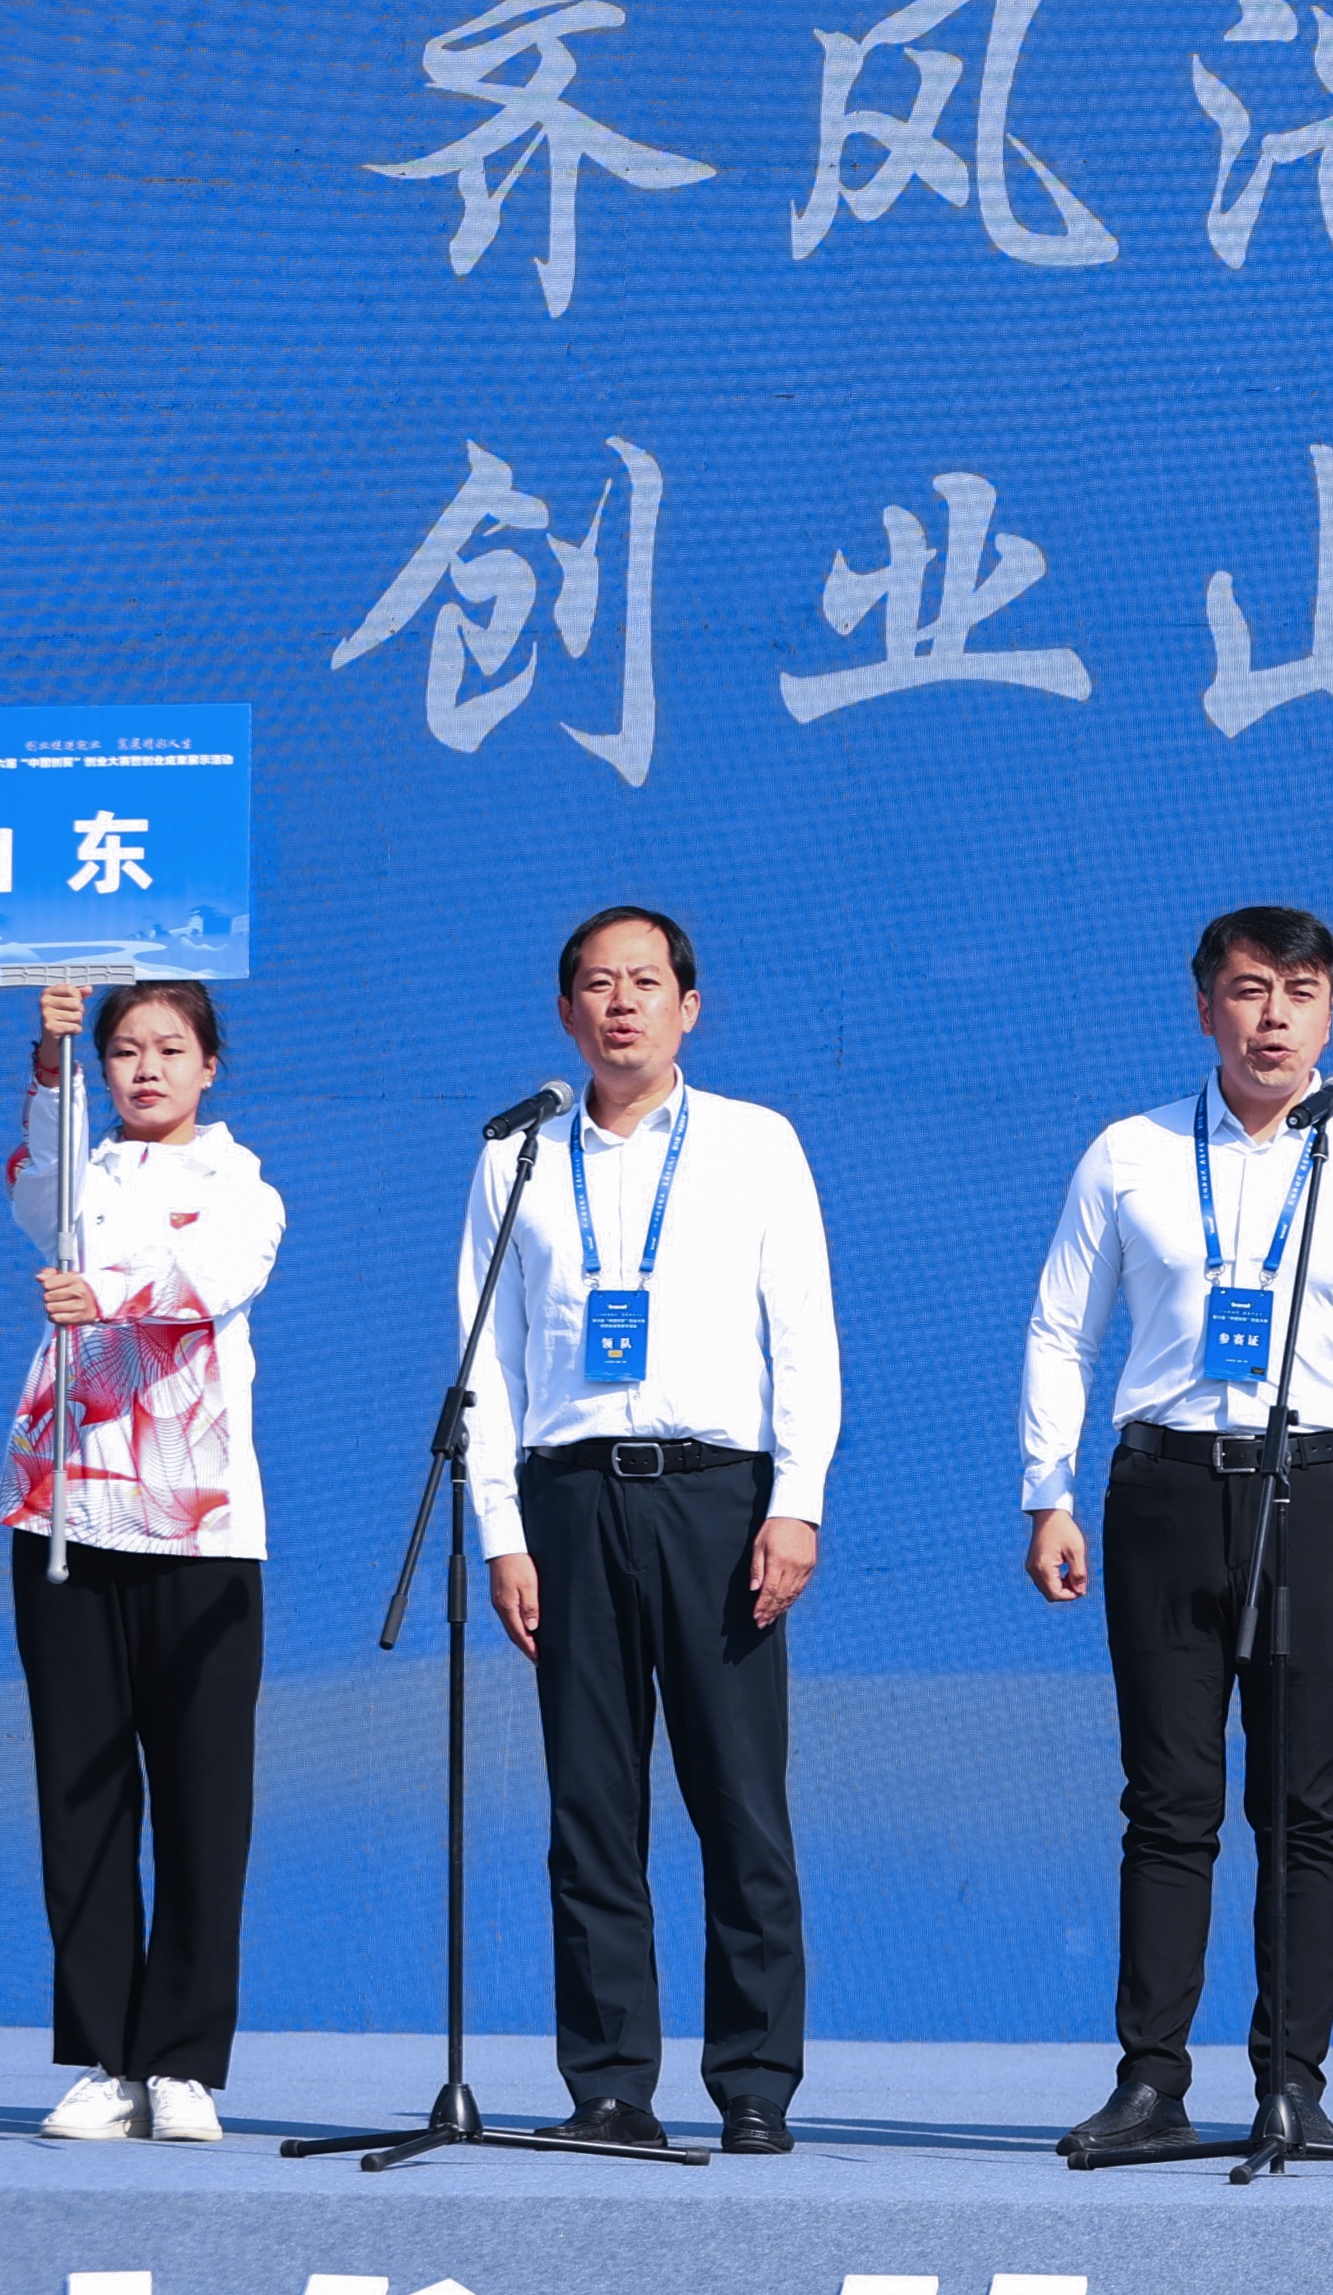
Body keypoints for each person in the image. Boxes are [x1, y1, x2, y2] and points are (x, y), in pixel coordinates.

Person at [1017, 906, 1333, 2166]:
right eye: (1251, 989)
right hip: (1163, 1492)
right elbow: (1061, 1327)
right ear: (1205, 1003)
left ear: (1332, 1011)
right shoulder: (1132, 1152)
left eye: (1299, 992)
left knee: (1302, 1801)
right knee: (1167, 1800)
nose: (1274, 1016)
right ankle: (1151, 2079)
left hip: (1316, 1495)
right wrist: (1047, 1489)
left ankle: (1291, 2082)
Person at [461, 905, 841, 2159]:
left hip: (718, 1498)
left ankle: (754, 2081)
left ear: (690, 1005)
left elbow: (804, 1334)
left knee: (740, 1800)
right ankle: (611, 2084)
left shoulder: (755, 1142)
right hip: (569, 1499)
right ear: (564, 1010)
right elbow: (489, 1359)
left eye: (644, 981)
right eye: (595, 983)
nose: (620, 1002)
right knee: (590, 1805)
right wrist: (504, 1532)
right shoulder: (519, 1156)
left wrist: (795, 1501)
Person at [0, 977, 284, 2145]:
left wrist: (101, 1290)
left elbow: (215, 1277)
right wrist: (51, 1057)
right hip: (64, 1510)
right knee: (83, 1792)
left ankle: (183, 2061)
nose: (146, 1068)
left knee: (204, 1801)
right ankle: (108, 2057)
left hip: (198, 1527)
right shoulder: (80, 1173)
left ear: (210, 1063)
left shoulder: (244, 1185)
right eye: (123, 1049)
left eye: (169, 1047)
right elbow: (37, 1188)